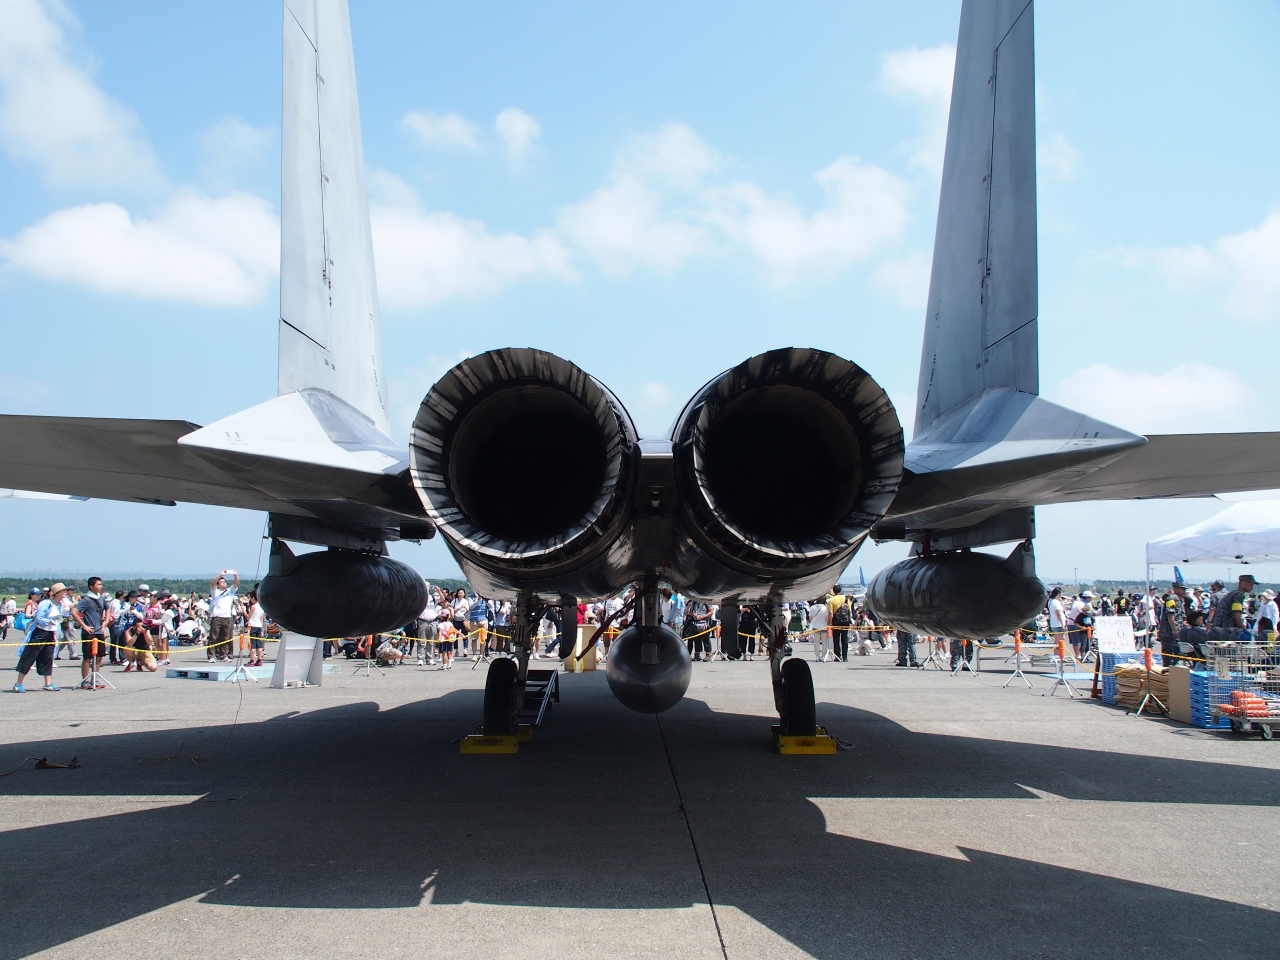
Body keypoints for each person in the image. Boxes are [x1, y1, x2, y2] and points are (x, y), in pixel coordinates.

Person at [13, 582, 70, 691]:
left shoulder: (61, 604)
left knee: (48, 657)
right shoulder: (46, 603)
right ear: (57, 593)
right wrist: (49, 622)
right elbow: (39, 618)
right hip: (39, 633)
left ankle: (47, 683)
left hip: (51, 634)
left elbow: (64, 615)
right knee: (29, 656)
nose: (65, 593)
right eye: (63, 591)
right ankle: (18, 683)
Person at [71, 576, 111, 688]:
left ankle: (95, 679)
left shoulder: (101, 598)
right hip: (89, 632)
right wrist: (84, 625)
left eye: (101, 584)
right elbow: (74, 611)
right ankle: (85, 681)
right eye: (98, 584)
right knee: (88, 657)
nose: (100, 586)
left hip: (99, 631)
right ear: (91, 586)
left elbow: (107, 608)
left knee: (99, 656)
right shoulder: (86, 600)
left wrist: (106, 620)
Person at [1211, 574, 1256, 639]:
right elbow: (1236, 612)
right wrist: (1242, 628)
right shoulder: (1239, 594)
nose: (1252, 587)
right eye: (1251, 584)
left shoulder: (1233, 593)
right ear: (1243, 583)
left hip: (1218, 628)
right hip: (1226, 629)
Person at [207, 570, 239, 661]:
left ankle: (223, 655)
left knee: (225, 638)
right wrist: (220, 575)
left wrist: (235, 575)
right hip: (217, 617)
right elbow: (213, 583)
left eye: (225, 581)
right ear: (218, 584)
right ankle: (211, 656)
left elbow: (236, 584)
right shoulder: (215, 592)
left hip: (227, 617)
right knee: (213, 637)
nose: (224, 583)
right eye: (222, 582)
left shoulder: (230, 591)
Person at [1157, 582, 1189, 668]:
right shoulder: (1171, 599)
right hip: (1168, 633)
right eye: (1183, 589)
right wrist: (1174, 630)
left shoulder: (1180, 600)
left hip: (1177, 633)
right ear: (1176, 589)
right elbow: (1170, 615)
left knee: (1177, 655)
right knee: (1168, 658)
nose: (1184, 591)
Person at [827, 586, 852, 661]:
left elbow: (830, 613)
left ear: (834, 591)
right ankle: (845, 657)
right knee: (845, 639)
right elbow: (849, 612)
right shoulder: (846, 599)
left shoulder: (831, 600)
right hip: (845, 621)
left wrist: (830, 623)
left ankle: (837, 656)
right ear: (841, 590)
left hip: (836, 621)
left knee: (836, 639)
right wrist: (849, 621)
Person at [245, 591, 266, 666]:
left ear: (253, 598)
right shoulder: (262, 606)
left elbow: (248, 617)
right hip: (259, 625)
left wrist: (243, 610)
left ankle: (252, 661)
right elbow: (261, 618)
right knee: (259, 644)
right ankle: (259, 660)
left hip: (252, 625)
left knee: (252, 644)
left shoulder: (253, 606)